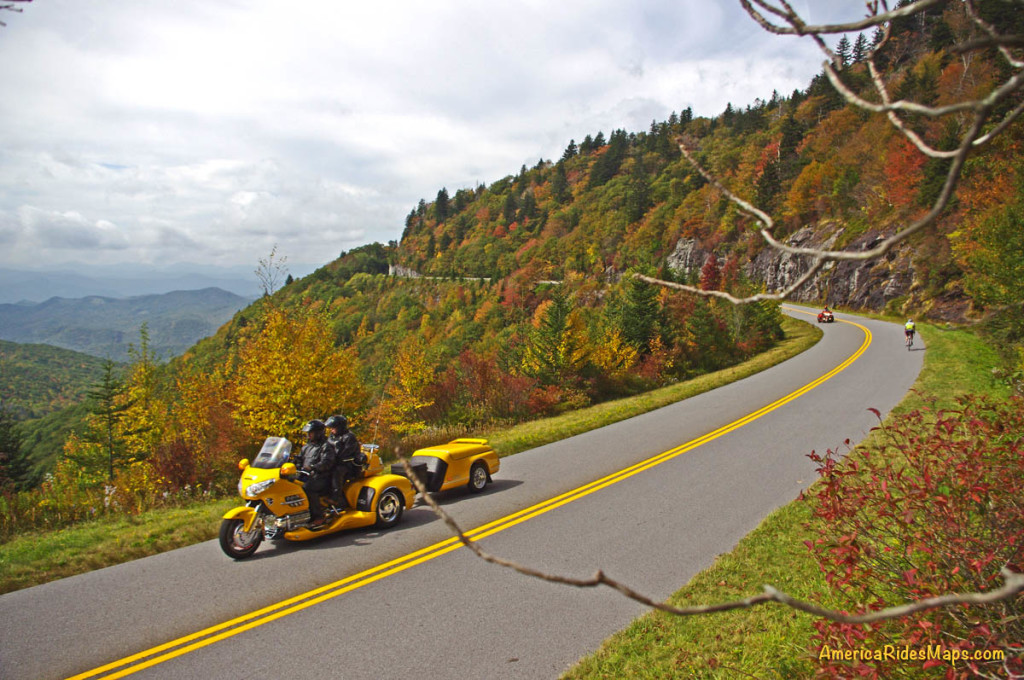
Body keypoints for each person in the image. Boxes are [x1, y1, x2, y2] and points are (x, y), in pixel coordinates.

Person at [295, 419, 335, 528]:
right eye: (308, 433)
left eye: (310, 433)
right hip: (306, 476)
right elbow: (298, 459)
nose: (308, 435)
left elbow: (327, 462)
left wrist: (313, 467)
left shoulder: (326, 446)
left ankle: (319, 517)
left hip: (322, 478)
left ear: (318, 433)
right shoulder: (306, 446)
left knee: (308, 488)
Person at [325, 414, 366, 504]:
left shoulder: (349, 437)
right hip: (336, 462)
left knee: (336, 472)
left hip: (349, 465)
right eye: (330, 428)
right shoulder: (332, 436)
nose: (331, 430)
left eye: (333, 427)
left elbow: (343, 454)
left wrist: (331, 459)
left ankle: (336, 498)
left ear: (340, 427)